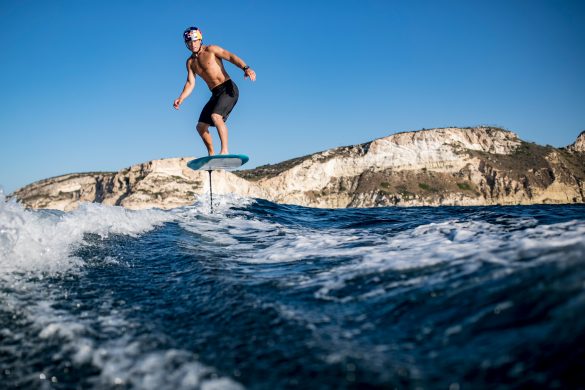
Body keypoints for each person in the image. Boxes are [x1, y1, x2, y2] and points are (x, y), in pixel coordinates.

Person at [173, 26, 256, 156]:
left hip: (228, 88)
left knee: (216, 116)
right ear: (186, 44)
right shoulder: (190, 62)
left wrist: (246, 68)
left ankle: (224, 151)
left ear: (200, 40)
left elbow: (230, 56)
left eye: (195, 41)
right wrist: (181, 98)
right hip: (215, 93)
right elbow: (190, 82)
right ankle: (211, 155)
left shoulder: (211, 50)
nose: (192, 44)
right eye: (189, 42)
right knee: (200, 127)